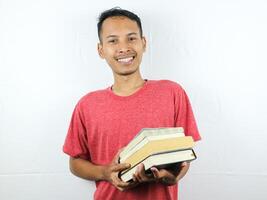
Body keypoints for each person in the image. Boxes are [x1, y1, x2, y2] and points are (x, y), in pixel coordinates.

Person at [63, 7, 201, 200]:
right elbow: (75, 162)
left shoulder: (172, 93)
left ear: (144, 43)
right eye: (113, 40)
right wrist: (105, 173)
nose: (124, 47)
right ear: (101, 50)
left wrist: (171, 178)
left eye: (131, 38)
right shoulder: (87, 105)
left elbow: (184, 154)